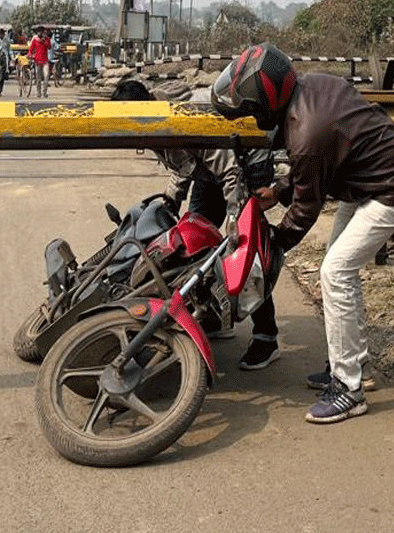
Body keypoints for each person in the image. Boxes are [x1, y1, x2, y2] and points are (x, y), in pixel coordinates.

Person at [210, 43, 394, 424]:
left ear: (265, 103)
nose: (248, 113)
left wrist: (275, 244)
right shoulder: (310, 88)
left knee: (335, 272)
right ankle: (353, 365)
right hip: (367, 184)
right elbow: (313, 167)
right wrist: (279, 190)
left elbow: (306, 207)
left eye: (249, 106)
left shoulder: (306, 131)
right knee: (339, 269)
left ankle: (349, 389)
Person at [111, 78, 283, 370]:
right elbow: (183, 161)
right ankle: (218, 317)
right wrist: (170, 200)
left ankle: (266, 337)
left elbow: (229, 171)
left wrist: (234, 218)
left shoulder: (188, 118)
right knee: (195, 237)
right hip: (212, 167)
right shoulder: (151, 122)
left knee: (243, 249)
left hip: (247, 159)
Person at [28, 26, 51, 98]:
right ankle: (38, 92)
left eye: (41, 32)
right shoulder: (35, 40)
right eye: (39, 32)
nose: (40, 33)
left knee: (46, 77)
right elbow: (31, 49)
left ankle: (44, 92)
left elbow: (49, 47)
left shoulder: (47, 39)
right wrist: (29, 55)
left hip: (45, 61)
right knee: (38, 79)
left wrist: (44, 41)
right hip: (37, 61)